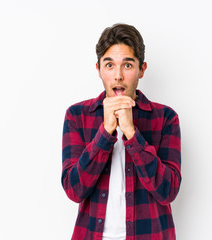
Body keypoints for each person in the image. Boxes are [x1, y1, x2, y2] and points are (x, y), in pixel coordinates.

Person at [61, 23, 181, 240]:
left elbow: (168, 190)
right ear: (98, 69)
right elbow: (74, 189)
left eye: (127, 65)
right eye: (109, 65)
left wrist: (131, 133)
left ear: (141, 70)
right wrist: (105, 133)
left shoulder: (166, 118)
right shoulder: (77, 115)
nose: (117, 76)